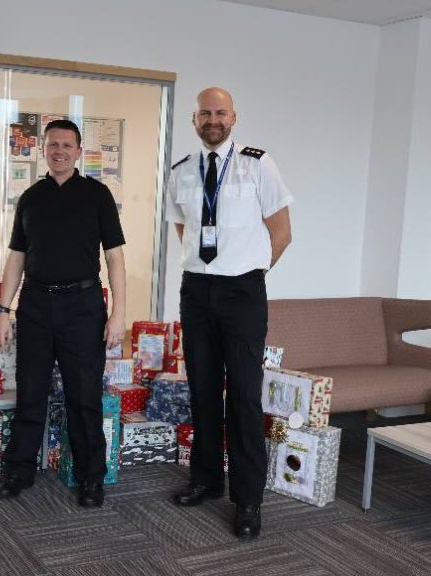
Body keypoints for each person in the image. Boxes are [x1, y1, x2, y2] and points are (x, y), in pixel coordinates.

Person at [165, 87, 293, 540]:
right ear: (194, 119)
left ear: (233, 118)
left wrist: (249, 274)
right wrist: (210, 270)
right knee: (201, 389)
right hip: (197, 290)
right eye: (205, 113)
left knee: (243, 395)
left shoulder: (258, 164)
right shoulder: (181, 170)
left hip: (242, 292)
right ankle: (205, 479)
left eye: (220, 112)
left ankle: (248, 499)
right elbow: (184, 228)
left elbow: (282, 233)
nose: (213, 120)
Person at [0, 119, 126, 508]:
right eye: (53, 145)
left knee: (84, 397)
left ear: (79, 151)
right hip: (35, 305)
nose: (60, 151)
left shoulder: (98, 195)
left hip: (83, 308)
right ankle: (18, 471)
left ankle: (91, 477)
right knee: (30, 392)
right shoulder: (30, 198)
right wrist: (3, 309)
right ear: (43, 150)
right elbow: (16, 258)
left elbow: (115, 258)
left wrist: (119, 313)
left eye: (67, 145)